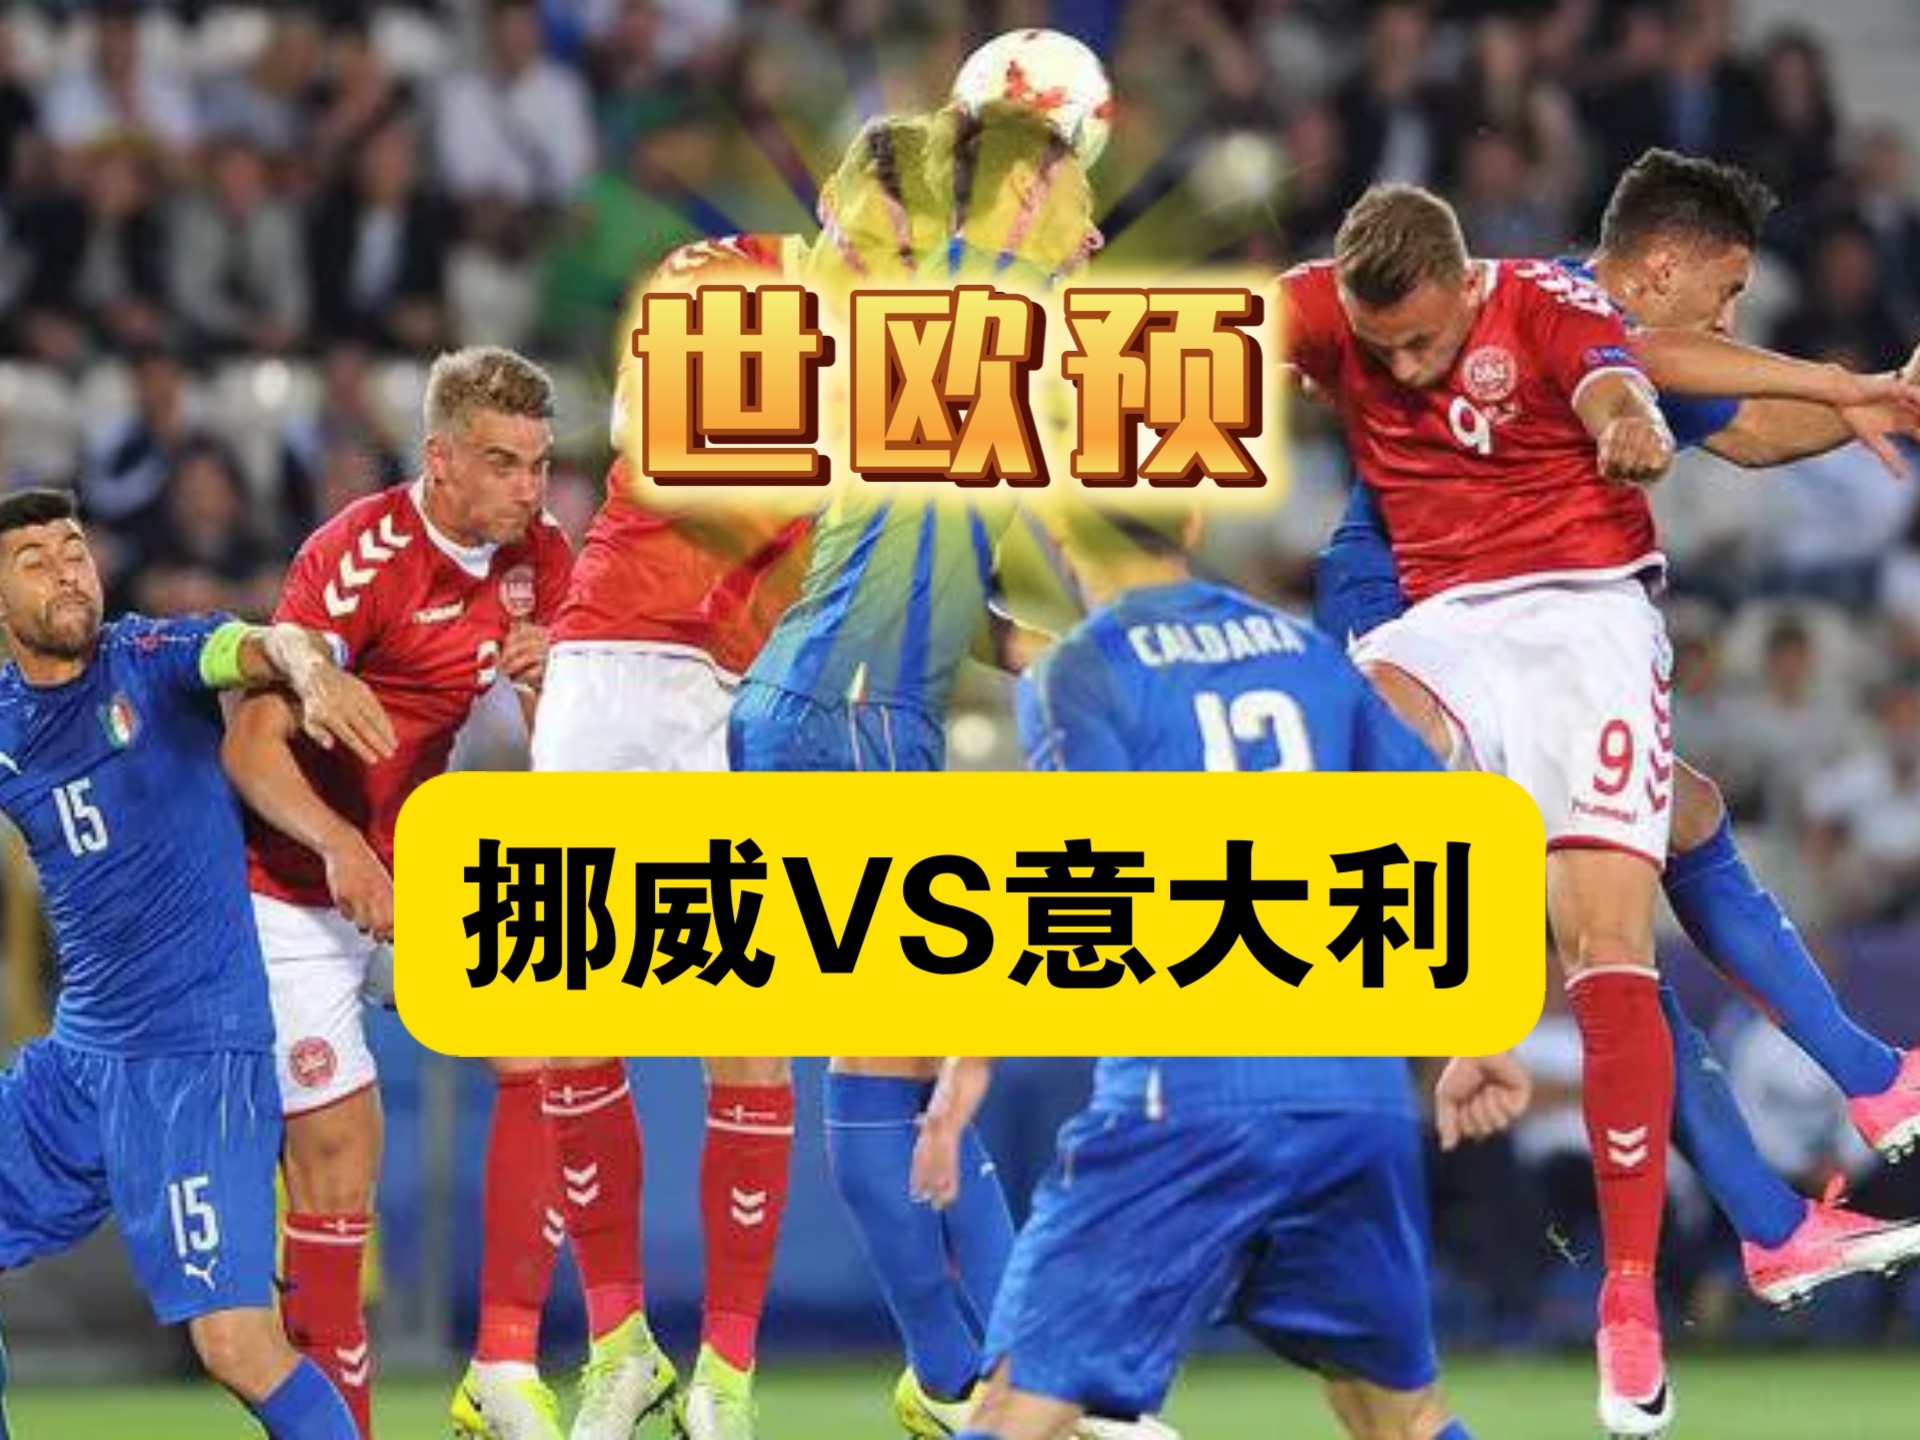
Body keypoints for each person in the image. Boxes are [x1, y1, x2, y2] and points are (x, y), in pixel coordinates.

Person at [1312, 151, 1920, 1315]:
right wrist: (1853, 382)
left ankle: (1790, 1199)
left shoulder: (1613, 334)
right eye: (1727, 291)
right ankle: (1832, 1129)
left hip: (1483, 629)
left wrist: (1877, 402)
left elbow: (1747, 430)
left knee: (1662, 856)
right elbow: (1659, 362)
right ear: (1663, 266)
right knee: (1619, 919)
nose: (1730, 316)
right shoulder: (1551, 305)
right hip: (1412, 619)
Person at [910, 502, 1521, 1440]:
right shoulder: (1307, 653)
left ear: (1064, 538)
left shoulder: (1081, 670)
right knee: (1397, 1414)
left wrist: (962, 1081)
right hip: (1350, 1100)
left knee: (1017, 1407)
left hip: (1182, 1099)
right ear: (1193, 522)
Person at [221, 348, 575, 1439]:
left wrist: (556, 679)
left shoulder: (540, 559)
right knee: (338, 1168)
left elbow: (576, 747)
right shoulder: (357, 557)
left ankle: (502, 1365)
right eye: (503, 463)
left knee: (551, 1048)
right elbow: (250, 743)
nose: (529, 489)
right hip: (291, 886)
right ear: (441, 459)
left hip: (415, 866)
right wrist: (341, 847)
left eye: (539, 464)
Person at [0, 487, 392, 1438]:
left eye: (75, 551)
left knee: (236, 1346)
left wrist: (310, 669)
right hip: (83, 1060)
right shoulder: (7, 723)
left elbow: (260, 645)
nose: (67, 573)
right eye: (35, 562)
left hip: (196, 1058)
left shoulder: (149, 658)